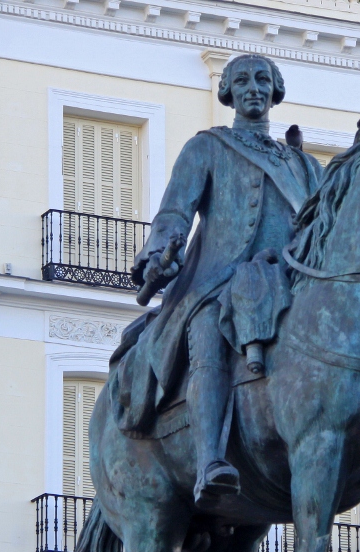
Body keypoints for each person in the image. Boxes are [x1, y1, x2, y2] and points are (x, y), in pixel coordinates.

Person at [115, 54, 322, 506]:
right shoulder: (207, 148)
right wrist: (159, 254)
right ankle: (211, 460)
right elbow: (175, 212)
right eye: (242, 81)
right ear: (227, 92)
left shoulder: (305, 167)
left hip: (290, 281)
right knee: (208, 330)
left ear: (275, 91)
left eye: (262, 80)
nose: (253, 88)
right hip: (220, 280)